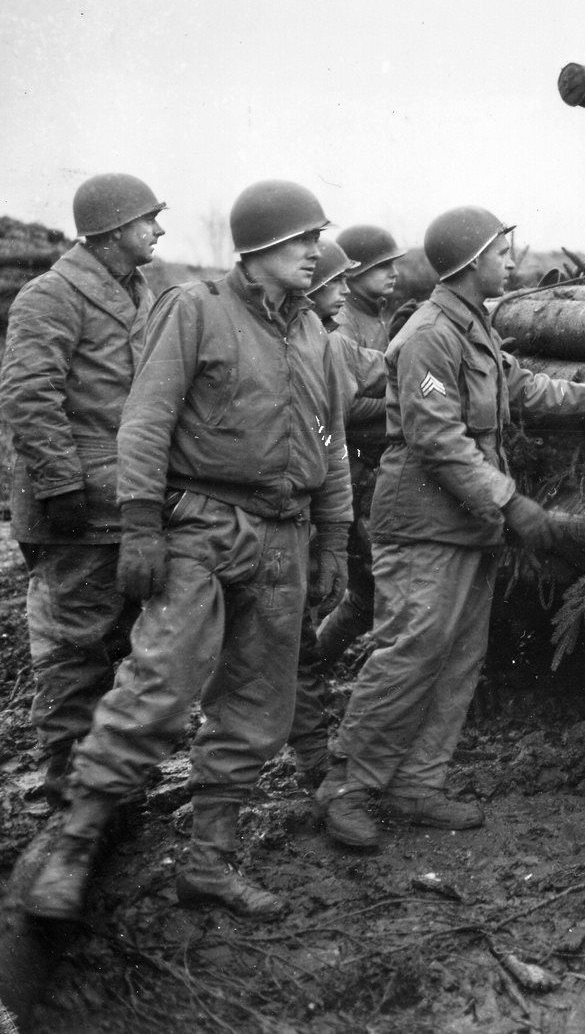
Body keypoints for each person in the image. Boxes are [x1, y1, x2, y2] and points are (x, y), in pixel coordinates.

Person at [24, 181, 351, 922]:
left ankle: (210, 863)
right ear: (262, 247)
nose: (315, 254)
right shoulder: (195, 309)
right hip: (202, 528)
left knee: (258, 706)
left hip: (284, 536)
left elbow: (332, 450)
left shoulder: (313, 337)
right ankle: (73, 848)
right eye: (304, 241)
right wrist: (141, 523)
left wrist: (332, 535)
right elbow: (144, 421)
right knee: (158, 688)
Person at [316, 207, 585, 851]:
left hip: (469, 527)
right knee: (409, 653)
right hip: (423, 527)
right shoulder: (427, 337)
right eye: (502, 252)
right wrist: (514, 506)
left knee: (458, 660)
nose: (510, 261)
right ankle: (347, 790)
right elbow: (436, 440)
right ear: (472, 264)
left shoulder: (475, 329)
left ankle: (417, 785)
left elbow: (521, 389)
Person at [0, 174, 166, 809]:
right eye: (147, 220)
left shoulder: (140, 291)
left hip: (125, 498)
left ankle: (111, 783)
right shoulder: (51, 295)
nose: (157, 230)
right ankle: (70, 787)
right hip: (78, 505)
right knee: (75, 650)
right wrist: (60, 482)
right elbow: (26, 393)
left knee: (123, 643)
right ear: (115, 229)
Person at [285, 240, 385, 791]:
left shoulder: (330, 343)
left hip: (309, 513)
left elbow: (392, 371)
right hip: (251, 523)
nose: (344, 293)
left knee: (299, 644)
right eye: (334, 284)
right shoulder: (305, 341)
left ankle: (310, 760)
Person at [315, 223, 405, 666]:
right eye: (381, 266)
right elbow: (341, 411)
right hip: (350, 470)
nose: (392, 273)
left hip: (366, 467)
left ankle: (308, 670)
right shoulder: (341, 325)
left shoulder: (374, 315)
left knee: (365, 594)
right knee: (371, 590)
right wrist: (400, 407)